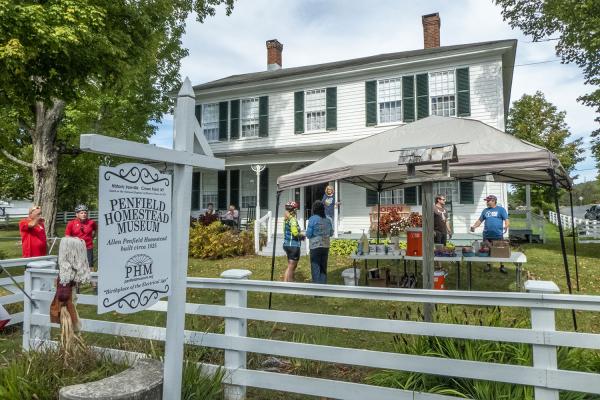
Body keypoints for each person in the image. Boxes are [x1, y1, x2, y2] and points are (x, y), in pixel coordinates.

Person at [470, 195, 510, 273]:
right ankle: (488, 265)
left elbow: (506, 219)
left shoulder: (501, 210)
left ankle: (502, 266)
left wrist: (506, 226)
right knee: (486, 250)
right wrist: (474, 226)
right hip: (487, 235)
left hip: (498, 234)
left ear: (494, 201)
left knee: (500, 250)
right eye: (486, 201)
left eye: (488, 201)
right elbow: (479, 220)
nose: (487, 202)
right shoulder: (485, 210)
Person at [306, 200, 334, 284]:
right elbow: (331, 233)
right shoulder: (328, 219)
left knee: (315, 267)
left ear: (314, 209)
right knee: (323, 267)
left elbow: (308, 234)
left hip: (315, 246)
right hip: (325, 246)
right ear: (323, 209)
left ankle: (317, 291)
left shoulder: (312, 219)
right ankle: (323, 288)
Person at [65, 204, 98, 271]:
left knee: (90, 266)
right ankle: (77, 280)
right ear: (77, 214)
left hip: (88, 247)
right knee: (75, 266)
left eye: (85, 213)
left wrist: (93, 236)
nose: (84, 214)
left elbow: (95, 229)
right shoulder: (71, 223)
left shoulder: (91, 222)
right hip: (75, 248)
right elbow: (67, 236)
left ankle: (92, 280)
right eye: (81, 213)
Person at [282, 201, 302, 282]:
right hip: (293, 245)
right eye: (296, 209)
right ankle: (287, 283)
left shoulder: (286, 220)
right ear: (294, 210)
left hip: (286, 244)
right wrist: (302, 236)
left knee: (292, 264)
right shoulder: (293, 220)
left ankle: (289, 281)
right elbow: (295, 233)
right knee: (291, 266)